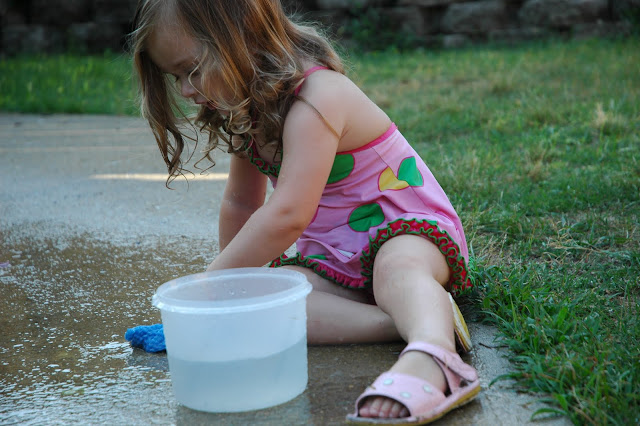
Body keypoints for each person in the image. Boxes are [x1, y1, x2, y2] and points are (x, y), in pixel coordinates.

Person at [130, 0, 480, 423]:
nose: (186, 90)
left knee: (396, 269)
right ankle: (411, 318)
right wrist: (235, 293)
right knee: (273, 301)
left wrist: (211, 286)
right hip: (339, 259)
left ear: (243, 37)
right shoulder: (246, 110)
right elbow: (241, 203)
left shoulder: (319, 97)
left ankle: (434, 355)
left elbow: (289, 214)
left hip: (408, 231)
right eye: (176, 77)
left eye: (192, 69)